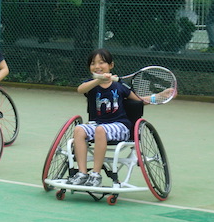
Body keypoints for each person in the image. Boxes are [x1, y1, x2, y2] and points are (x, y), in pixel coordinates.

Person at [67, 48, 170, 187]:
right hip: (96, 124)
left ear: (111, 65)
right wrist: (98, 80)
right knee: (79, 130)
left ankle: (96, 175)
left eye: (101, 62)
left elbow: (139, 101)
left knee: (100, 130)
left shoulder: (120, 86)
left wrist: (159, 96)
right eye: (93, 63)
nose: (97, 66)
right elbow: (80, 89)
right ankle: (82, 173)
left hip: (120, 126)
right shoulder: (90, 85)